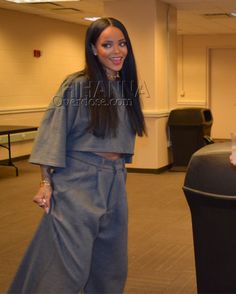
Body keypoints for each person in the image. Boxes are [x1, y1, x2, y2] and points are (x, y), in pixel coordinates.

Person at [8, 17, 146, 294]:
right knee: (66, 267)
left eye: (122, 44)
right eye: (107, 44)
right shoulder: (77, 85)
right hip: (79, 180)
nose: (117, 51)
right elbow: (53, 130)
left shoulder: (125, 87)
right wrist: (46, 182)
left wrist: (115, 174)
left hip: (115, 180)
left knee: (110, 265)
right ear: (93, 49)